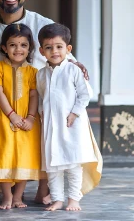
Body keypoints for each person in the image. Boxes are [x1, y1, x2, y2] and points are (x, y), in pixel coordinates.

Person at [0, 0, 89, 203]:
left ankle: (44, 190)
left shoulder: (43, 25)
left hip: (39, 106)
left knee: (52, 115)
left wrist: (76, 65)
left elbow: (66, 62)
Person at [36, 23, 102, 211]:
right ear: (42, 51)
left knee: (73, 164)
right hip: (50, 125)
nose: (54, 51)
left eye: (59, 47)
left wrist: (74, 113)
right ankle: (57, 199)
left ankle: (74, 198)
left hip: (71, 124)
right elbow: (42, 98)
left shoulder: (74, 70)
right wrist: (41, 115)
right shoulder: (41, 75)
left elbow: (85, 94)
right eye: (48, 48)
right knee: (53, 166)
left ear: (68, 49)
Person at [0, 23, 41, 210]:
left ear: (30, 48)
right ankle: (7, 196)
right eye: (13, 45)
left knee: (25, 157)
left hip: (27, 121)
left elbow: (34, 95)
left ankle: (18, 196)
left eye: (23, 45)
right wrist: (12, 116)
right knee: (4, 155)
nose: (18, 49)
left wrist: (31, 118)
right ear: (4, 47)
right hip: (3, 119)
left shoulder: (33, 72)